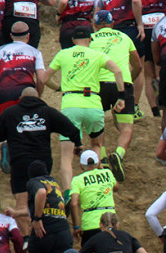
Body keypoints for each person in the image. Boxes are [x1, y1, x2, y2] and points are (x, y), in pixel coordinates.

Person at [44, 27, 125, 193]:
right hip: (94, 104)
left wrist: (58, 87)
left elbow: (44, 78)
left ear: (73, 40)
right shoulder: (97, 54)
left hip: (71, 104)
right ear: (90, 40)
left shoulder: (64, 54)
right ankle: (95, 184)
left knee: (66, 157)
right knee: (96, 144)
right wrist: (121, 96)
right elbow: (117, 70)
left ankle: (68, 194)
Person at [0, 98, 80, 238]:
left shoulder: (10, 113)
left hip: (20, 162)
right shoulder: (46, 112)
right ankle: (44, 231)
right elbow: (71, 128)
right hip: (42, 164)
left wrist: (11, 133)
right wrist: (78, 143)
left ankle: (27, 238)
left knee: (21, 201)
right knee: (42, 195)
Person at [90, 9, 141, 179]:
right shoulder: (124, 37)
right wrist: (129, 80)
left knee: (99, 122)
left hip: (99, 85)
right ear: (113, 23)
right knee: (127, 128)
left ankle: (103, 156)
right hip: (123, 84)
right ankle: (118, 154)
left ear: (95, 25)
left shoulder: (91, 39)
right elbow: (138, 65)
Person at [0, 23, 47, 138]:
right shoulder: (35, 52)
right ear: (28, 36)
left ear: (11, 36)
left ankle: (5, 151)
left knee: (5, 129)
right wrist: (37, 96)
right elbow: (41, 79)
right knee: (26, 129)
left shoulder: (0, 50)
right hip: (26, 94)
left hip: (5, 94)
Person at [24, 160, 75, 253]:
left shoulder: (34, 182)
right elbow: (43, 205)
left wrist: (37, 219)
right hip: (63, 230)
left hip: (45, 230)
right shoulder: (54, 183)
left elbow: (41, 193)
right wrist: (16, 213)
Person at [99, 0, 145, 69]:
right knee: (137, 66)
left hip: (112, 30)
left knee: (114, 64)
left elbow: (98, 12)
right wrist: (140, 23)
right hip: (131, 28)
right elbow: (135, 0)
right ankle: (133, 86)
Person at [69, 150, 117, 246]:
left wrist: (76, 226)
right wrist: (102, 169)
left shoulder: (77, 180)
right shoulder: (107, 173)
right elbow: (116, 187)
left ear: (81, 166)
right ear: (98, 163)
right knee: (111, 252)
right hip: (110, 220)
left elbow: (74, 203)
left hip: (90, 222)